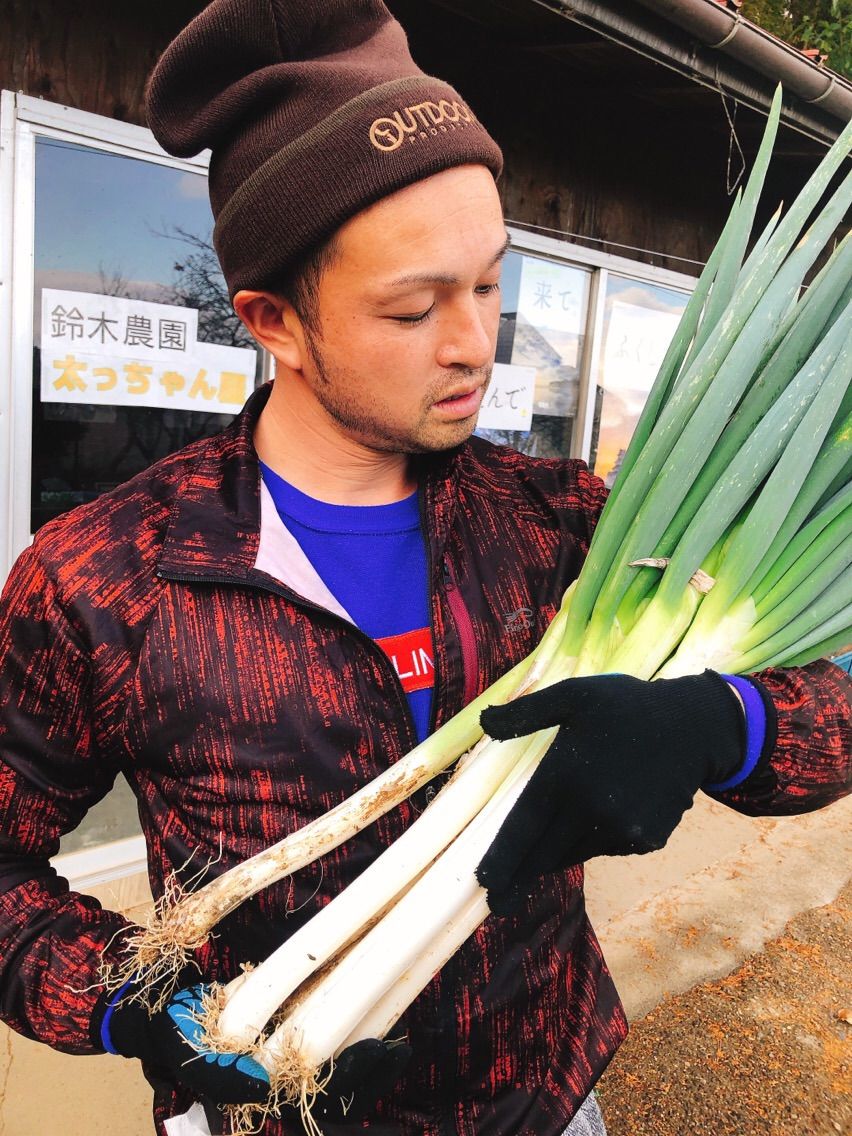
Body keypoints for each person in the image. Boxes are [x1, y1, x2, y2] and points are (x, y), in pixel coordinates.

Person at [0, 2, 848, 1134]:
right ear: (274, 321)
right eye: (414, 306)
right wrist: (134, 1003)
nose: (474, 344)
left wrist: (718, 720)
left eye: (491, 283)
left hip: (547, 1097)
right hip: (260, 1109)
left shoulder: (562, 526)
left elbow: (828, 699)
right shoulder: (107, 577)